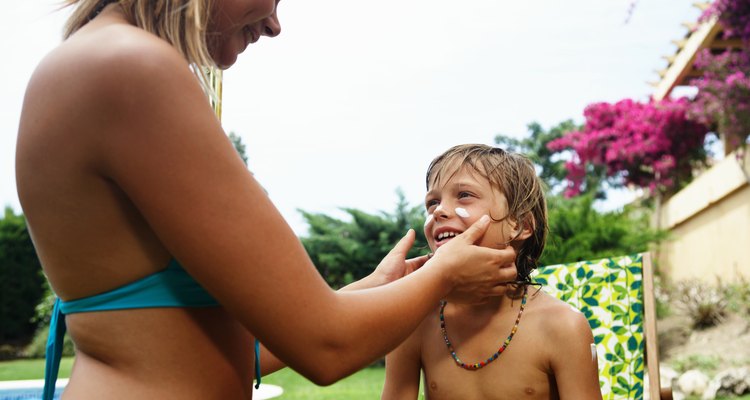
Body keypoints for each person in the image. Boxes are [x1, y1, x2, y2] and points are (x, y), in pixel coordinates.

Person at [15, 1, 522, 399]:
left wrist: (375, 287)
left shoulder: (95, 60)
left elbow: (233, 349)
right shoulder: (131, 67)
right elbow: (327, 348)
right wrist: (445, 274)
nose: (276, 24)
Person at [381, 144, 602, 400]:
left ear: (519, 225)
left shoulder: (562, 326)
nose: (438, 210)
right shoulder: (415, 322)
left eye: (464, 195)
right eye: (432, 202)